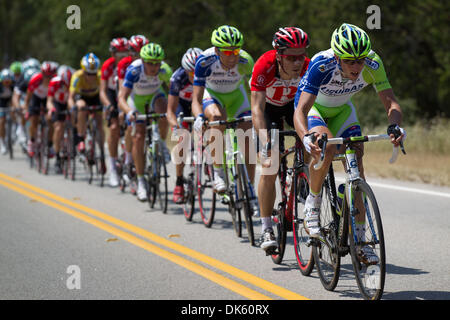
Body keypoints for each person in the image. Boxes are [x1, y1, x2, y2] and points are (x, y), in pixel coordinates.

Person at [293, 23, 406, 264]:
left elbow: (392, 104)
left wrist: (395, 126)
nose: (357, 66)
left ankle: (360, 241)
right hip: (315, 110)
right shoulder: (321, 64)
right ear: (337, 57)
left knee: (357, 155)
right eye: (350, 61)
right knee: (327, 147)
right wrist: (305, 137)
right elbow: (301, 110)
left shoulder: (373, 63)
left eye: (360, 60)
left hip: (343, 110)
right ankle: (312, 206)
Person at [251, 27, 310, 253]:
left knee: (310, 144)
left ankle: (301, 181)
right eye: (291, 57)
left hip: (295, 108)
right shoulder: (264, 66)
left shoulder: (308, 66)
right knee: (269, 165)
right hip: (270, 111)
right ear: (278, 56)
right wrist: (266, 142)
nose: (298, 62)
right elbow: (256, 109)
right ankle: (266, 227)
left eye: (301, 56)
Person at [192, 25, 255, 193]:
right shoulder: (205, 61)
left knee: (248, 140)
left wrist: (258, 113)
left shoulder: (246, 61)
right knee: (216, 118)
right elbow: (196, 98)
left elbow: (254, 91)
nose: (232, 56)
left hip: (236, 96)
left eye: (235, 51)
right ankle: (218, 172)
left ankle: (249, 187)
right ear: (216, 50)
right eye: (227, 52)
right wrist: (198, 116)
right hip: (212, 95)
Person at [118, 43, 173, 201]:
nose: (154, 67)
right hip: (137, 100)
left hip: (156, 95)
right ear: (142, 61)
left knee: (164, 111)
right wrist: (129, 112)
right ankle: (141, 180)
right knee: (139, 136)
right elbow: (121, 97)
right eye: (150, 63)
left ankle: (161, 142)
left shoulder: (164, 70)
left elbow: (174, 90)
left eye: (157, 63)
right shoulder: (134, 71)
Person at [166, 47, 203, 203]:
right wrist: (176, 127)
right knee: (183, 139)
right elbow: (170, 111)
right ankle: (179, 182)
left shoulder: (206, 75)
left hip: (200, 105)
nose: (194, 76)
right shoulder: (178, 78)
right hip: (182, 107)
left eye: (197, 73)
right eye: (191, 73)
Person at [117, 35, 149, 184]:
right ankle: (129, 159)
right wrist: (123, 110)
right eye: (135, 52)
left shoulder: (150, 62)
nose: (138, 55)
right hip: (132, 95)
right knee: (131, 126)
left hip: (148, 95)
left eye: (141, 51)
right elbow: (122, 89)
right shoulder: (125, 64)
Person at [100, 37, 129, 187]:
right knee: (114, 128)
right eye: (119, 53)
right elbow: (102, 91)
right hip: (112, 94)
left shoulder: (130, 64)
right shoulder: (108, 66)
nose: (122, 56)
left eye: (125, 52)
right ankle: (112, 166)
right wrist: (109, 105)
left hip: (128, 92)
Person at [68, 53, 105, 174]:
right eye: (88, 74)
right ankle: (80, 139)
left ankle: (102, 154)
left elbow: (105, 92)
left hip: (95, 97)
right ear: (83, 71)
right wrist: (73, 108)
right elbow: (70, 97)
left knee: (100, 125)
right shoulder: (77, 76)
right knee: (81, 107)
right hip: (81, 97)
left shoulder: (100, 76)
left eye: (93, 74)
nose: (91, 77)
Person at [21, 61, 58, 157]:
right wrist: (26, 108)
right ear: (42, 73)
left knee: (51, 121)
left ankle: (50, 145)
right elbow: (28, 97)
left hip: (48, 99)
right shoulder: (35, 79)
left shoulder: (56, 80)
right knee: (34, 120)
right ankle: (32, 141)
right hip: (36, 98)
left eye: (50, 76)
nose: (48, 78)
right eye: (46, 75)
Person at [47, 67, 73, 173]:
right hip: (57, 103)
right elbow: (49, 100)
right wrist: (52, 109)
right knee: (58, 127)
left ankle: (74, 142)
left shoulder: (73, 81)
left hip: (68, 102)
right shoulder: (54, 83)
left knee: (74, 119)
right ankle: (57, 157)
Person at [0, 69, 15, 154]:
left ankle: (14, 132)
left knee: (14, 113)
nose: (7, 83)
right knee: (2, 121)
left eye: (8, 81)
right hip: (1, 103)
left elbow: (15, 98)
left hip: (9, 102)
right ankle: (2, 142)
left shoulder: (13, 87)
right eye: (5, 81)